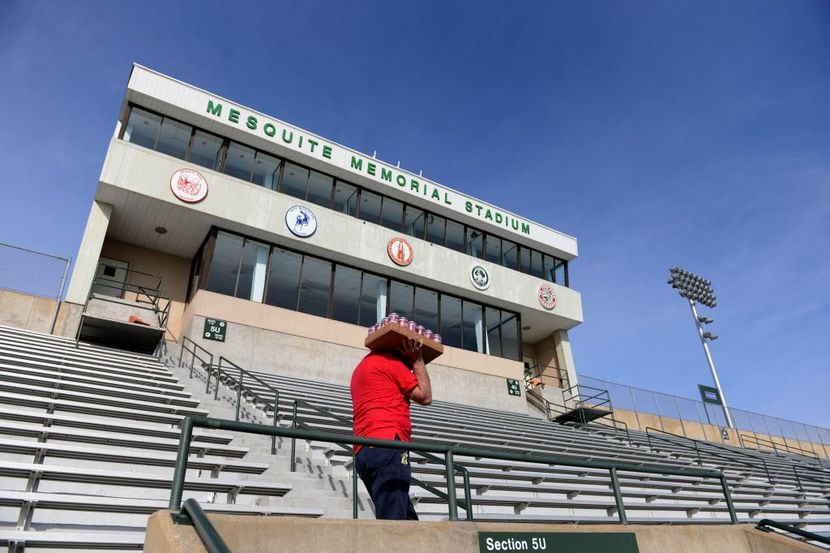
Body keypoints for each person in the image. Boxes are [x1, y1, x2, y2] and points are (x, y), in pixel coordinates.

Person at [350, 338, 432, 520]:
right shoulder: (390, 361)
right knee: (393, 521)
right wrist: (417, 359)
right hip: (388, 445)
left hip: (364, 450)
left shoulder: (361, 367)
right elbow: (425, 396)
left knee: (404, 517)